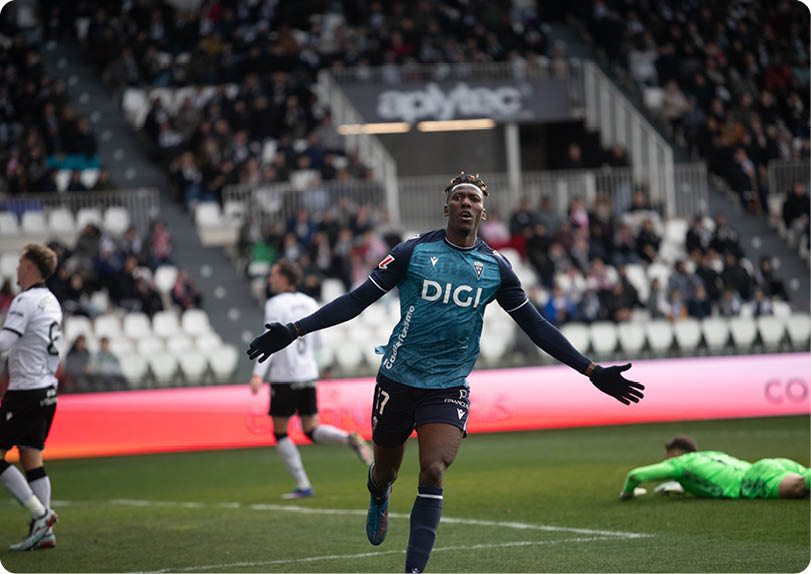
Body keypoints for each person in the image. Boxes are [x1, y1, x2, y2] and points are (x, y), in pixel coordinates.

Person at [247, 173, 645, 573]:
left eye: (473, 198)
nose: (466, 203)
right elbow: (357, 300)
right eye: (459, 198)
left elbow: (537, 327)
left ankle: (414, 570)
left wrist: (591, 371)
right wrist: (295, 329)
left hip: (448, 384)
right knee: (386, 470)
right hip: (397, 379)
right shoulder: (412, 252)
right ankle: (379, 492)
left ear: (484, 211)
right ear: (447, 208)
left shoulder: (496, 268)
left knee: (434, 470)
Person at [249, 259, 372, 499]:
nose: (270, 279)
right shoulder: (309, 301)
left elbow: (269, 339)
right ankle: (348, 437)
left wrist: (257, 374)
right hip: (308, 373)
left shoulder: (275, 303)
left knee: (280, 432)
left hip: (285, 376)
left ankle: (303, 484)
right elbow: (318, 342)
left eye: (273, 274)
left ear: (285, 278)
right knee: (310, 428)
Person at [0, 244, 62, 550]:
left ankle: (41, 514)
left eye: (20, 261)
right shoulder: (51, 300)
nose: (16, 267)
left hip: (25, 391)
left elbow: (5, 342)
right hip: (47, 391)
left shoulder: (25, 300)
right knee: (30, 456)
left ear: (29, 266)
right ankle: (45, 532)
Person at [619, 435, 810, 500]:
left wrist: (628, 493)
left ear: (675, 454)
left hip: (753, 480)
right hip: (771, 465)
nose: (666, 461)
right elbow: (708, 477)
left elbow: (635, 475)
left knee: (799, 487)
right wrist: (681, 486)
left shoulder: (679, 464)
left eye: (667, 457)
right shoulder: (711, 454)